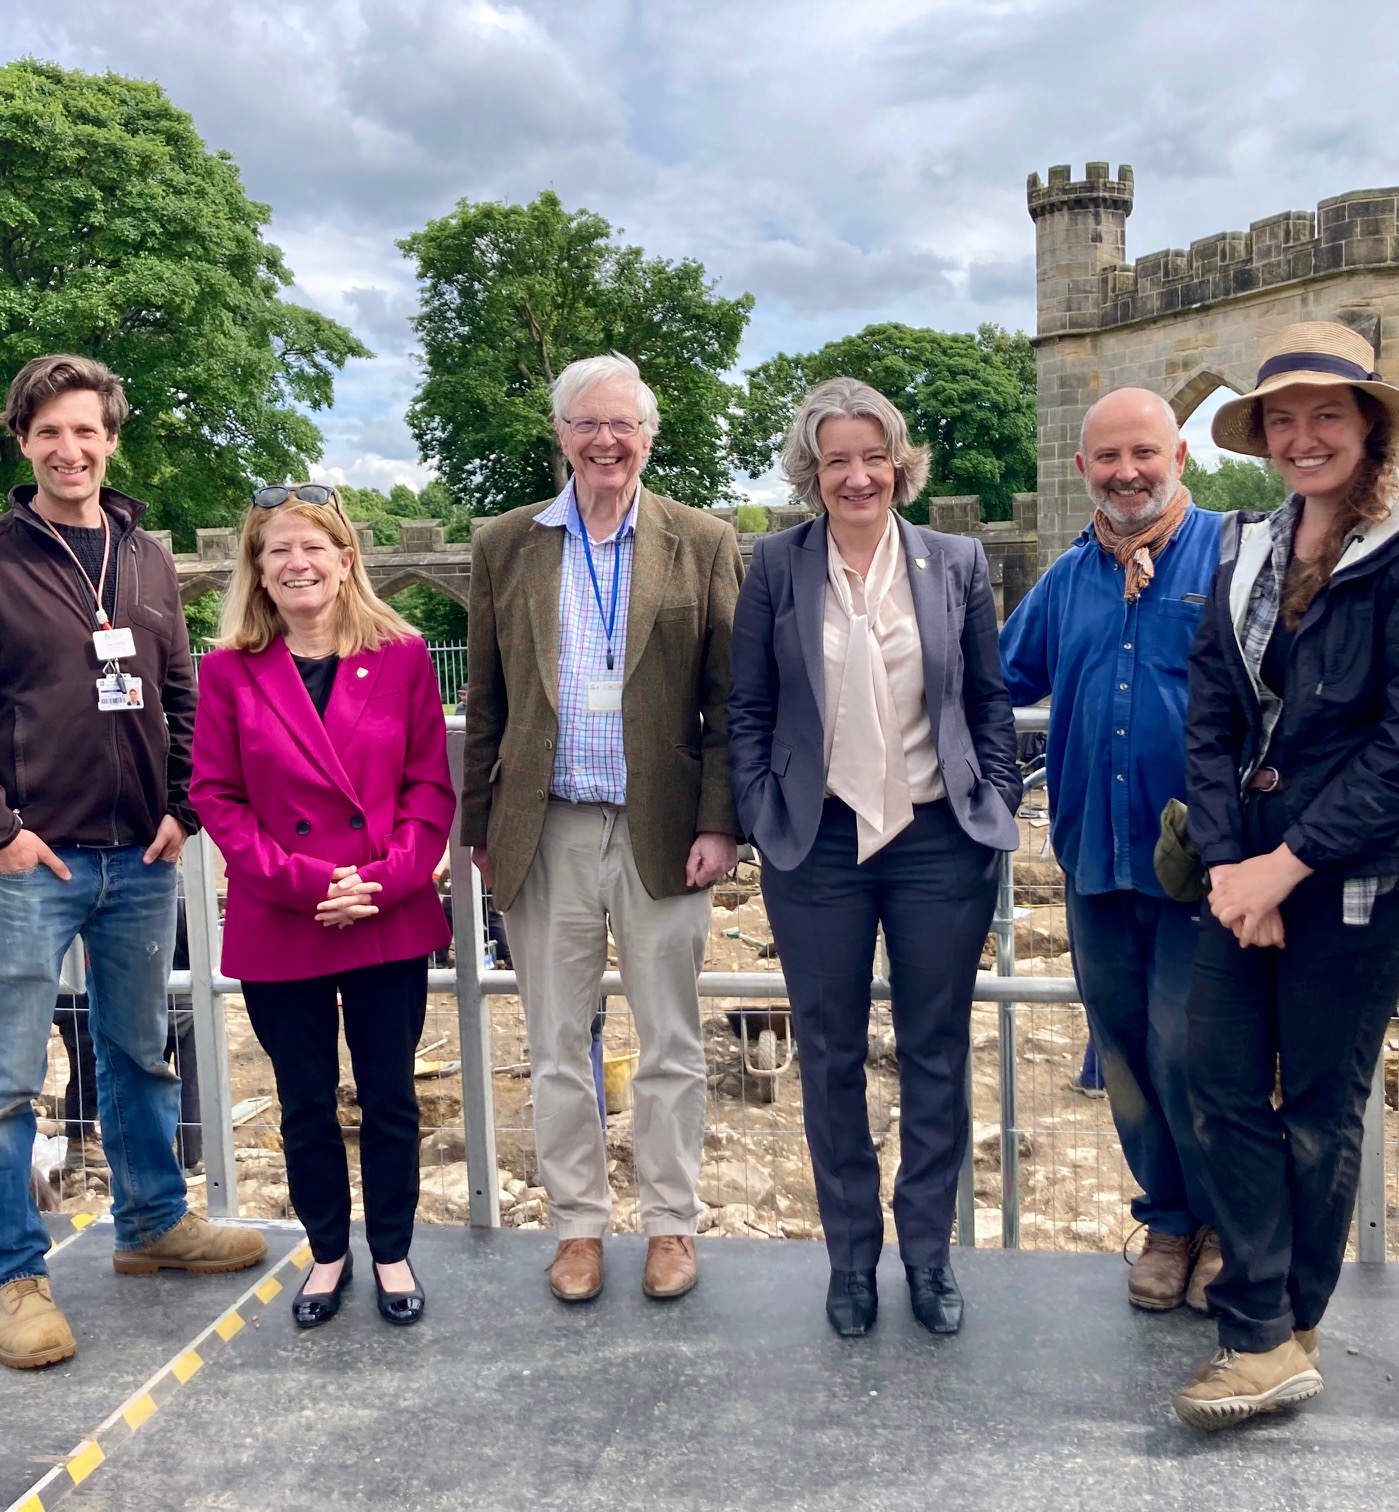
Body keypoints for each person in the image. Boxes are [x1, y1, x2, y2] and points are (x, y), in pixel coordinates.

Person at [0, 354, 266, 1372]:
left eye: (87, 433)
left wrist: (182, 801)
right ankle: (8, 1276)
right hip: (34, 862)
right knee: (6, 1081)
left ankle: (153, 1226)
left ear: (113, 440)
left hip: (140, 857)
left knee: (142, 1055)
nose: (71, 451)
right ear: (22, 442)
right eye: (49, 433)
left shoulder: (145, 556)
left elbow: (179, 689)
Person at [1173, 321, 1399, 1429]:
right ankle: (1266, 1315)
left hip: (1358, 879)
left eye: (1326, 414)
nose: (1303, 436)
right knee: (1212, 1082)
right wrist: (1230, 866)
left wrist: (1284, 867)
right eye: (1283, 419)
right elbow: (1212, 713)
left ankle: (1272, 1331)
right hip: (1250, 872)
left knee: (1316, 1104)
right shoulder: (1251, 547)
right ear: (1262, 435)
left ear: (1367, 424)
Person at [729, 377, 1020, 1337]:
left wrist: (998, 799)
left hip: (938, 839)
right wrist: (763, 809)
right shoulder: (773, 564)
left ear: (900, 462)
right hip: (817, 844)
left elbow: (987, 696)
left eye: (873, 456)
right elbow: (749, 707)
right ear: (811, 474)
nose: (857, 476)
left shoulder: (955, 561)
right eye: (835, 460)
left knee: (937, 1050)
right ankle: (850, 1258)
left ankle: (928, 1255)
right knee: (831, 1054)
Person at [463, 352, 740, 1305]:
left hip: (664, 828)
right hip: (546, 829)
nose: (606, 441)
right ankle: (577, 1226)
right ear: (562, 436)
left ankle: (670, 1224)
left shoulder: (700, 541)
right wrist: (478, 827)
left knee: (669, 1040)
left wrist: (721, 822)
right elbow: (487, 702)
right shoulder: (505, 544)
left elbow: (726, 697)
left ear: (649, 437)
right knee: (555, 1044)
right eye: (587, 424)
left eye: (623, 425)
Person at [193, 482, 455, 1329]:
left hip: (387, 912)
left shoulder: (405, 654)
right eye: (279, 551)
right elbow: (218, 798)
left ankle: (391, 1250)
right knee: (303, 1099)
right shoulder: (229, 671)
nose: (298, 563)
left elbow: (428, 784)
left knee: (388, 1096)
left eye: (314, 548)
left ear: (347, 563)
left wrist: (384, 881)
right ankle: (327, 1252)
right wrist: (309, 884)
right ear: (258, 572)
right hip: (285, 916)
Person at [1000, 387, 1225, 1315]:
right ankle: (1170, 1222)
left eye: (1142, 453)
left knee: (1200, 1055)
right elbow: (990, 681)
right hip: (1096, 862)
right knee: (1127, 1055)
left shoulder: (1233, 554)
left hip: (1206, 873)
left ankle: (1228, 1230)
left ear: (1179, 451)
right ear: (1083, 468)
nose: (1126, 473)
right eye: (1106, 459)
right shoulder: (1066, 582)